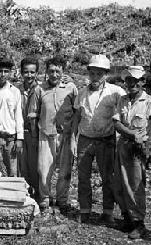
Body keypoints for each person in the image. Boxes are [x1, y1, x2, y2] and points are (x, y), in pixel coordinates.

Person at [112, 65, 151, 238]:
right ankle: (127, 218)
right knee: (119, 183)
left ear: (143, 82)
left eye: (135, 80)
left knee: (136, 184)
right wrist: (130, 133)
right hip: (123, 144)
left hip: (138, 149)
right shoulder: (122, 100)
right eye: (128, 80)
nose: (131, 84)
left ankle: (139, 222)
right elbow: (116, 123)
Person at [71, 54, 126, 224]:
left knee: (108, 177)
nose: (95, 77)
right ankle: (85, 210)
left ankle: (108, 211)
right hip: (85, 139)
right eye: (92, 73)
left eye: (99, 74)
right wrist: (73, 139)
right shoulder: (81, 93)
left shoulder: (116, 92)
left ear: (106, 75)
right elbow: (76, 117)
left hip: (106, 140)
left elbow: (127, 110)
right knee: (83, 176)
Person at [36, 55, 77, 213]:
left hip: (65, 134)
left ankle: (62, 200)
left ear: (63, 72)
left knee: (65, 170)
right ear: (46, 72)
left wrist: (73, 134)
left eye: (57, 71)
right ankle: (45, 199)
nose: (54, 74)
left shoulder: (71, 88)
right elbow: (35, 112)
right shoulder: (40, 89)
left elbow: (77, 111)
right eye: (51, 71)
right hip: (46, 134)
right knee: (44, 169)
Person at [18, 56, 41, 198]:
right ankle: (24, 193)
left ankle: (38, 194)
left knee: (36, 165)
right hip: (20, 132)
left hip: (36, 133)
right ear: (21, 73)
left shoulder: (41, 89)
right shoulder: (16, 90)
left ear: (37, 73)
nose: (29, 75)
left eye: (32, 72)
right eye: (26, 72)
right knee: (22, 165)